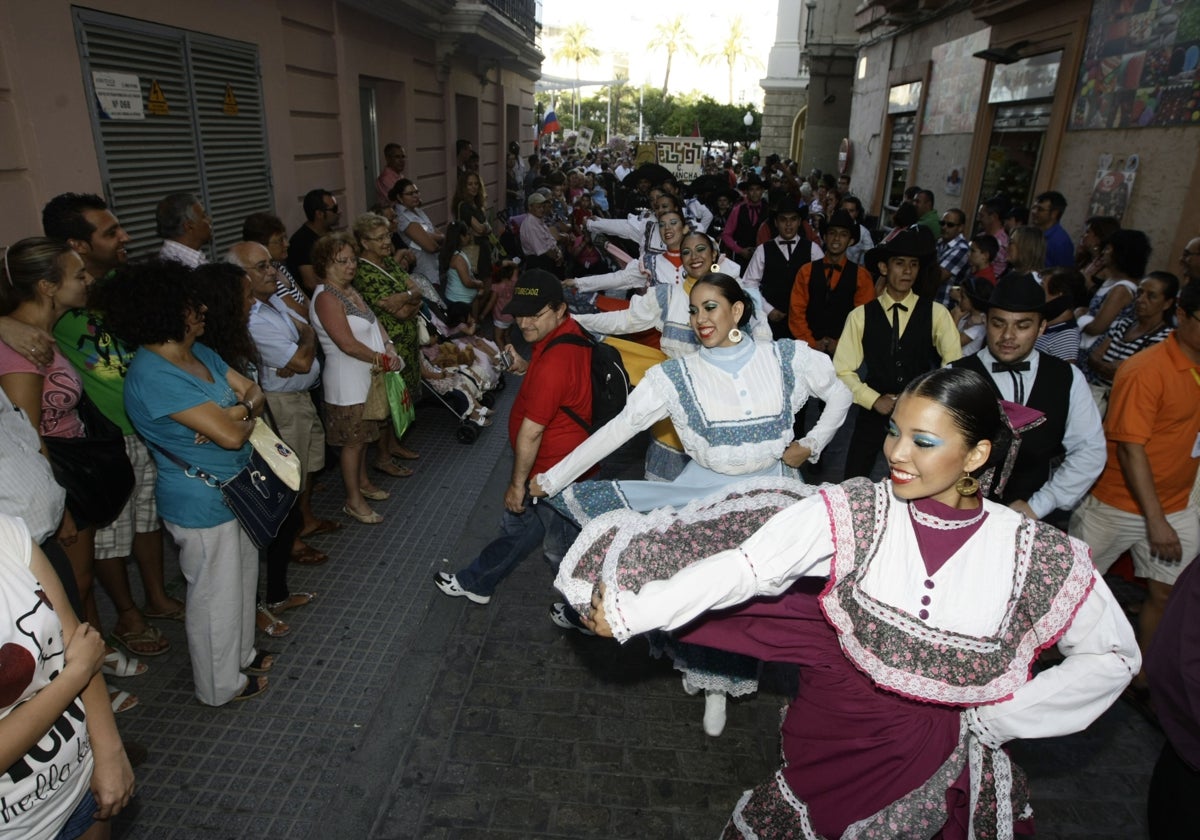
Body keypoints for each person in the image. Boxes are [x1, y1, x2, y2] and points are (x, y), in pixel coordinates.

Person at [563, 366, 1138, 839]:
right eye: (894, 432)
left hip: (942, 755)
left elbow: (1114, 655)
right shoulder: (860, 511)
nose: (898, 453)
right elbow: (748, 567)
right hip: (839, 738)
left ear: (975, 455)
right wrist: (636, 612)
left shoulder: (1033, 552)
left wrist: (998, 718)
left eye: (924, 441)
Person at [532, 273, 851, 736]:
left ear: (737, 311)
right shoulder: (675, 376)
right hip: (705, 494)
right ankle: (713, 684)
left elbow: (839, 391)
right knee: (710, 596)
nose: (700, 318)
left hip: (775, 492)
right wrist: (551, 477)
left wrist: (811, 442)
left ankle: (741, 674)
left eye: (711, 307)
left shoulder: (785, 356)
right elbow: (617, 430)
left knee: (760, 600)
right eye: (694, 310)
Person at [95, 258, 275, 705]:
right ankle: (218, 686)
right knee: (214, 596)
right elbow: (233, 437)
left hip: (238, 487)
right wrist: (236, 417)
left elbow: (255, 393)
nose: (204, 311)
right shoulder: (153, 375)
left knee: (241, 580)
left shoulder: (201, 355)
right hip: (201, 499)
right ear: (166, 311)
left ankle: (241, 654)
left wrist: (235, 412)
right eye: (193, 305)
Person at [0, 237, 145, 713]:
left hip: (68, 479)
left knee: (77, 584)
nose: (88, 280)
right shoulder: (21, 352)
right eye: (77, 275)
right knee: (71, 587)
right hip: (56, 485)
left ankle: (92, 661)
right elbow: (26, 439)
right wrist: (59, 505)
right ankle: (79, 686)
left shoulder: (39, 334)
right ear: (46, 286)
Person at [43, 193, 183, 659]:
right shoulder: (57, 297)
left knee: (147, 521)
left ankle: (156, 598)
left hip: (148, 426)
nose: (124, 237)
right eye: (110, 232)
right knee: (110, 536)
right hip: (104, 442)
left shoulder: (126, 284)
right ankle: (127, 614)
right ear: (76, 245)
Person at [434, 270, 591, 605]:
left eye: (535, 315)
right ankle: (477, 581)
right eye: (520, 313)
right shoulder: (565, 334)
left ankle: (588, 615)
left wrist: (518, 484)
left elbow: (532, 432)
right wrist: (524, 366)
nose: (524, 323)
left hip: (552, 474)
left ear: (561, 309)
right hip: (554, 464)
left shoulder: (555, 361)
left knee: (559, 552)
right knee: (520, 530)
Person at [1070, 281, 1200, 675]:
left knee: (1169, 594)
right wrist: (1155, 520)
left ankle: (1141, 676)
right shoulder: (1146, 369)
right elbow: (1130, 448)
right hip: (1115, 504)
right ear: (1181, 315)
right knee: (1070, 593)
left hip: (1177, 503)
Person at [195, 259, 317, 637]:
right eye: (246, 296)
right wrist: (248, 403)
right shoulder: (208, 348)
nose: (253, 302)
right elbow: (242, 401)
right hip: (238, 449)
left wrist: (251, 401)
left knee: (287, 515)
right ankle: (256, 610)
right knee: (259, 531)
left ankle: (276, 595)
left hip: (262, 433)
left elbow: (255, 392)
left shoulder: (232, 339)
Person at [0, 513, 135, 840]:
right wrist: (74, 676)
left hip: (80, 782)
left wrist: (109, 751)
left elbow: (76, 636)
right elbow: (82, 661)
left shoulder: (8, 532)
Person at [951, 273, 1105, 521]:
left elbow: (1090, 450)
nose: (1008, 336)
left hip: (1034, 515)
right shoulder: (954, 374)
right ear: (986, 322)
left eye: (1022, 325)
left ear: (1041, 327)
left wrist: (1042, 504)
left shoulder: (1067, 378)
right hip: (958, 510)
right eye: (998, 323)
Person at [233, 241, 338, 561]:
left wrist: (302, 340)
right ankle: (289, 540)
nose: (273, 272)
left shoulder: (273, 300)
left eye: (272, 264)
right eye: (262, 267)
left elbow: (308, 326)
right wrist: (304, 339)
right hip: (281, 402)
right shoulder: (253, 318)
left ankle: (305, 522)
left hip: (299, 395)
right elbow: (304, 358)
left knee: (307, 464)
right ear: (242, 276)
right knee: (289, 471)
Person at [834, 227, 961, 479]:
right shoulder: (861, 315)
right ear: (884, 268)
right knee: (854, 477)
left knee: (916, 476)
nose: (907, 271)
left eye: (913, 264)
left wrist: (927, 398)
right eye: (899, 263)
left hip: (919, 414)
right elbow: (842, 370)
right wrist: (872, 399)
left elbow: (954, 365)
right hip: (873, 412)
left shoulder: (936, 313)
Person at [309, 233, 403, 525]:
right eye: (343, 261)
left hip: (365, 381)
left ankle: (362, 483)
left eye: (353, 260)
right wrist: (383, 360)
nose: (351, 266)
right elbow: (346, 344)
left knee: (362, 441)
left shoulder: (349, 291)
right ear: (325, 263)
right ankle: (353, 500)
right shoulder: (327, 297)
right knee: (352, 444)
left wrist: (388, 347)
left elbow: (375, 324)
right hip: (346, 385)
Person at [351, 212, 423, 475]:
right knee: (389, 403)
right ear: (364, 242)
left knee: (400, 399)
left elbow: (417, 291)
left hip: (406, 343)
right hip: (387, 345)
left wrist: (406, 297)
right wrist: (411, 300)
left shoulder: (389, 264)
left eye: (387, 235)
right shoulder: (363, 273)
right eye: (378, 238)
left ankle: (393, 445)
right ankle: (382, 457)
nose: (386, 241)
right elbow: (401, 312)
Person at [787, 208, 874, 353]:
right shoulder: (806, 271)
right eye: (832, 233)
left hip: (846, 351)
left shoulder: (862, 276)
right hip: (808, 349)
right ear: (825, 237)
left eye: (843, 235)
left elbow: (864, 318)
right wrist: (811, 342)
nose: (836, 239)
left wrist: (841, 343)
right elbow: (796, 311)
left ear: (851, 241)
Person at [1086, 271, 1178, 408]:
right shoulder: (1123, 324)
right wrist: (1112, 367)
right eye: (1140, 292)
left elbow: (1136, 373)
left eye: (1151, 296)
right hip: (1096, 398)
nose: (1141, 299)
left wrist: (1105, 366)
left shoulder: (1166, 337)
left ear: (1167, 303)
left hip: (1126, 405)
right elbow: (1094, 356)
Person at [742, 202, 824, 339]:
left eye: (793, 219)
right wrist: (768, 309)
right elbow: (749, 284)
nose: (788, 224)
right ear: (776, 222)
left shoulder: (813, 249)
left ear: (799, 222)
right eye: (783, 220)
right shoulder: (763, 250)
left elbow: (822, 284)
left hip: (805, 321)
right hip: (771, 322)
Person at [1079, 229, 1150, 353]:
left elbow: (1097, 327)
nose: (1104, 253)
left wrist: (1078, 315)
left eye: (1108, 249)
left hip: (1095, 350)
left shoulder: (1121, 289)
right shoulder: (1112, 281)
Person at [242, 212, 311, 323]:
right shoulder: (268, 278)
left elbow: (305, 298)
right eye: (280, 240)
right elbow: (299, 312)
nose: (287, 244)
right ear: (261, 246)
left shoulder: (279, 266)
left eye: (285, 238)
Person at [390, 179, 445, 301]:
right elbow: (431, 246)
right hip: (421, 272)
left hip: (433, 269)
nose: (415, 196)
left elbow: (438, 234)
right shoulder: (402, 216)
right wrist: (435, 238)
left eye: (416, 192)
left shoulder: (418, 211)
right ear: (399, 197)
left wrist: (431, 236)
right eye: (410, 194)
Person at [441, 221, 494, 328]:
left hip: (463, 300)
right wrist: (479, 284)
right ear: (461, 237)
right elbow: (467, 282)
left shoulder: (456, 254)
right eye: (468, 234)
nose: (470, 237)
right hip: (460, 304)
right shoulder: (458, 258)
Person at [287, 189, 341, 293]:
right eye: (334, 209)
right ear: (319, 214)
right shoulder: (301, 241)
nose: (339, 212)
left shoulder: (329, 233)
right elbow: (311, 283)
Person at [1035, 267, 1084, 363]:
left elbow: (1061, 376)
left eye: (1042, 287)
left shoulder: (1067, 338)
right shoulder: (1045, 322)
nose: (1036, 292)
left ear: (1058, 294)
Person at [454, 171, 494, 281]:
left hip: (484, 247)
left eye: (476, 184)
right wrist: (483, 228)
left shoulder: (477, 205)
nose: (474, 187)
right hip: (473, 248)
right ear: (464, 186)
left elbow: (488, 229)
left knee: (487, 281)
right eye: (470, 184)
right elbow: (480, 229)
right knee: (479, 284)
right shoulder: (463, 206)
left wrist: (483, 228)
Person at [722, 174, 767, 267]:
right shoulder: (738, 209)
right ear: (746, 191)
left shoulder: (769, 210)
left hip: (764, 259)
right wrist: (740, 250)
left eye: (758, 189)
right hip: (741, 259)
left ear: (762, 191)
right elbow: (726, 235)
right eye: (751, 189)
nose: (754, 193)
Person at [156, 192, 212, 268]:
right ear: (189, 226)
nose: (209, 220)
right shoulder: (174, 267)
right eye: (203, 216)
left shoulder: (189, 258)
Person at [935, 208, 972, 305]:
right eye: (942, 223)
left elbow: (937, 277)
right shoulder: (939, 243)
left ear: (960, 228)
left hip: (946, 304)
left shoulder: (962, 249)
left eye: (950, 225)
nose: (944, 227)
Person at [948, 274, 991, 355]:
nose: (959, 299)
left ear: (974, 301)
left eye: (963, 297)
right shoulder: (966, 313)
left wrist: (955, 318)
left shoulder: (978, 327)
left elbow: (948, 345)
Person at [1031, 190, 1074, 269]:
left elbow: (1063, 275)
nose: (1034, 212)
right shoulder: (1034, 233)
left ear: (1054, 213)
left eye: (1040, 209)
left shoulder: (1060, 242)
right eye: (1034, 207)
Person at [976, 196, 1010, 276]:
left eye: (982, 216)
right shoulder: (980, 236)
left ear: (994, 217)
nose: (978, 219)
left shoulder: (1003, 244)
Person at [375, 142, 406, 207]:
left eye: (403, 157)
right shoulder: (385, 179)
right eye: (397, 157)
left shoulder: (400, 176)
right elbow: (400, 201)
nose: (401, 160)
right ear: (388, 159)